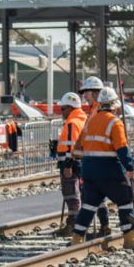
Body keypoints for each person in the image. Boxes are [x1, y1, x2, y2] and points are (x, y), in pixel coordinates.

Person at [71, 87, 134, 250]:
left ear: (100, 104)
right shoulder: (115, 122)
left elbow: (78, 149)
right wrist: (130, 167)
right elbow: (122, 149)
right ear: (115, 105)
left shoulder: (90, 120)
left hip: (89, 170)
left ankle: (77, 239)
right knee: (125, 201)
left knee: (89, 205)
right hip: (109, 171)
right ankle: (129, 238)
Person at [72, 75, 112, 234]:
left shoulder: (98, 110)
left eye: (86, 93)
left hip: (97, 159)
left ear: (95, 92)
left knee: (92, 195)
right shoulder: (93, 110)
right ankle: (104, 225)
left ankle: (85, 230)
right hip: (92, 158)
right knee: (97, 195)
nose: (84, 96)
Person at [55, 92, 87, 237]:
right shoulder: (83, 119)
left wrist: (67, 166)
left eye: (63, 109)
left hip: (70, 165)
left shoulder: (72, 123)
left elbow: (71, 146)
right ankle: (78, 223)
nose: (61, 112)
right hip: (81, 163)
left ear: (70, 107)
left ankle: (73, 224)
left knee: (71, 195)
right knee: (80, 193)